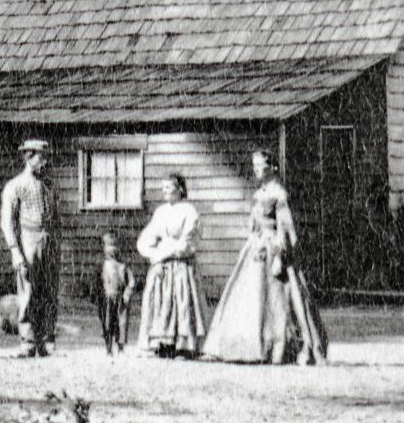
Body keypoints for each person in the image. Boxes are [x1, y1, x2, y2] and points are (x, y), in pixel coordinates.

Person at [199, 150, 328, 365]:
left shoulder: (279, 194)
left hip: (273, 250)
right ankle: (241, 346)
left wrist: (279, 255)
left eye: (261, 165)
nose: (256, 169)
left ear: (272, 167)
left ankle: (281, 348)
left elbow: (285, 229)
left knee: (279, 301)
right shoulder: (259, 193)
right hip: (256, 248)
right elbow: (254, 224)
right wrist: (254, 239)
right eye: (255, 165)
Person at [134, 173, 206, 356]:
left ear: (179, 189)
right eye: (163, 187)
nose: (164, 190)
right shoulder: (161, 212)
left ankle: (184, 346)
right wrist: (154, 256)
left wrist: (164, 253)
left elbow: (188, 241)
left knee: (182, 302)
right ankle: (163, 343)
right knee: (161, 302)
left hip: (181, 263)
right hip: (162, 265)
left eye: (168, 187)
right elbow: (147, 238)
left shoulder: (189, 211)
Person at [0, 139, 58, 358]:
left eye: (46, 157)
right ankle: (28, 341)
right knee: (28, 292)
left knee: (49, 291)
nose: (45, 162)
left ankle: (46, 340)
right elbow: (7, 222)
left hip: (49, 240)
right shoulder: (15, 186)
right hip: (27, 239)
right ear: (28, 157)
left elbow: (56, 217)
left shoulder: (49, 185)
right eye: (41, 157)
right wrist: (15, 251)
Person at [94, 232, 136, 355]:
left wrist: (127, 292)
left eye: (115, 246)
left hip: (120, 299)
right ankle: (108, 347)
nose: (112, 250)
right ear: (104, 248)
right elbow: (97, 282)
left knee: (121, 323)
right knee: (108, 322)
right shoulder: (102, 266)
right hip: (107, 298)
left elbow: (131, 281)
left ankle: (121, 347)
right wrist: (98, 295)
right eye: (108, 246)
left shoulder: (123, 266)